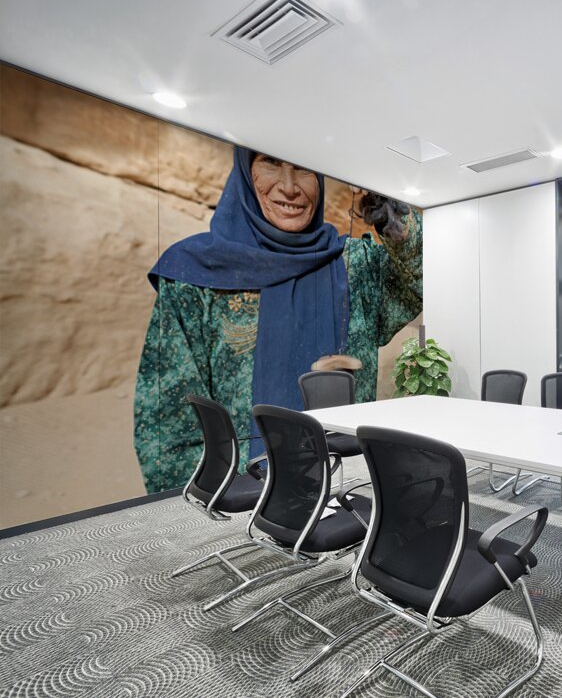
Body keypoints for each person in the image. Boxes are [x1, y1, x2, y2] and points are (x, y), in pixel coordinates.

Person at [133, 147, 422, 493]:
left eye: (303, 168)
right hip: (245, 497)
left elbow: (422, 278)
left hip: (349, 484)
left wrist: (389, 211)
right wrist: (212, 501)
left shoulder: (354, 266)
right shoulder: (193, 274)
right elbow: (170, 421)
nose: (289, 187)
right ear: (245, 172)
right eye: (270, 163)